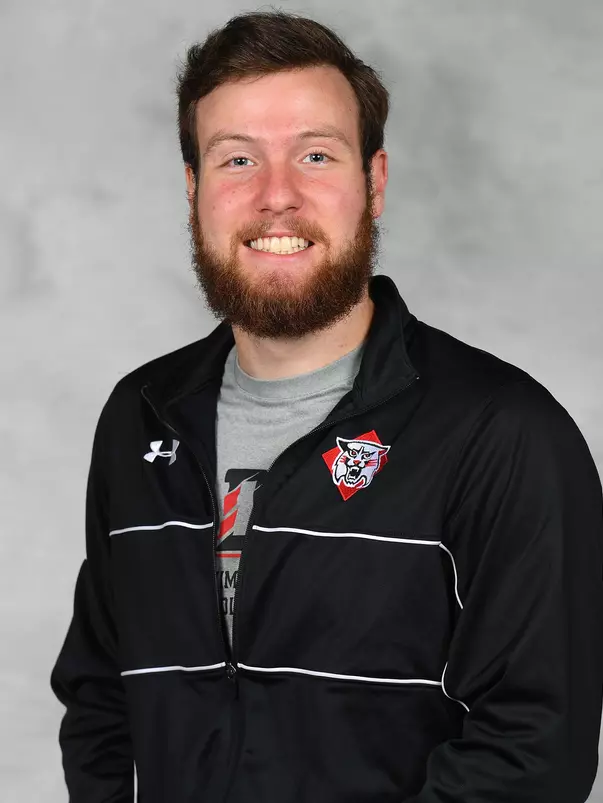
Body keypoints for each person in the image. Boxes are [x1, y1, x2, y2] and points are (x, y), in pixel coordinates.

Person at [50, 10, 603, 803]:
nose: (277, 196)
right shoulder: (141, 416)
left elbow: (532, 752)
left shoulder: (502, 433)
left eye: (316, 154)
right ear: (194, 188)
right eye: (237, 159)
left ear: (373, 183)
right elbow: (102, 696)